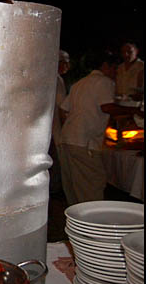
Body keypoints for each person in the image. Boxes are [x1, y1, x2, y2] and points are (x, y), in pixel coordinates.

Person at [59, 51, 140, 206]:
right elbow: (107, 107)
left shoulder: (80, 83)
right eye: (114, 68)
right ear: (105, 66)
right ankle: (92, 224)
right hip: (83, 143)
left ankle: (78, 222)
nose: (116, 72)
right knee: (92, 185)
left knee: (74, 187)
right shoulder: (104, 82)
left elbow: (64, 109)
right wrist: (134, 111)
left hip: (67, 139)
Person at [48, 50, 70, 193]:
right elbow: (63, 106)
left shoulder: (50, 77)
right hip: (54, 128)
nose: (66, 66)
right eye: (64, 62)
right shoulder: (56, 79)